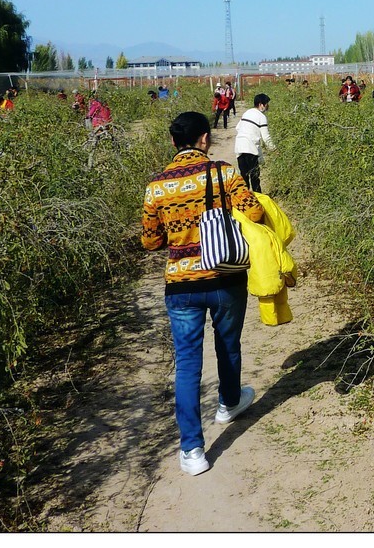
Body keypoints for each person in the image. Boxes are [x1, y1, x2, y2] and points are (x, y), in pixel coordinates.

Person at [142, 111, 264, 476]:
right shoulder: (223, 172)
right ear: (204, 139)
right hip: (224, 276)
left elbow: (150, 241)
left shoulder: (156, 187)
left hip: (181, 286)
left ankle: (193, 450)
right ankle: (228, 403)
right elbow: (254, 212)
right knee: (228, 345)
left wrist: (176, 231)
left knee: (187, 365)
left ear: (174, 142)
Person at [234, 93, 274, 193]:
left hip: (239, 147)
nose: (267, 106)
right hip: (250, 148)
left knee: (244, 177)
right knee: (255, 177)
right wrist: (274, 149)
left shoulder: (247, 112)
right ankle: (258, 200)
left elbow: (238, 127)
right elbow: (266, 137)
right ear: (261, 104)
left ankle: (245, 201)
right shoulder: (261, 117)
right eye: (267, 104)